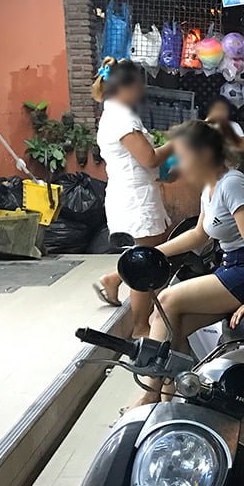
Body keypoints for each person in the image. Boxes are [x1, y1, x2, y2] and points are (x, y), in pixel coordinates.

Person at [135, 119, 244, 404]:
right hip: (233, 266)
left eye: (184, 156)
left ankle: (149, 394)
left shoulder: (233, 184)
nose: (180, 163)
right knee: (171, 323)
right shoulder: (209, 187)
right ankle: (169, 398)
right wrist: (156, 253)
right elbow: (198, 235)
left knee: (166, 299)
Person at [91, 58, 175, 337]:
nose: (142, 92)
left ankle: (113, 279)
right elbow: (149, 159)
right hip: (134, 197)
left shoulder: (116, 113)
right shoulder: (121, 118)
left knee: (150, 254)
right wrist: (178, 142)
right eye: (139, 85)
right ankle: (140, 328)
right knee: (146, 264)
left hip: (134, 192)